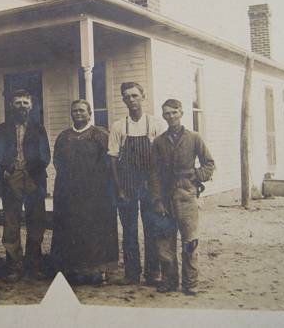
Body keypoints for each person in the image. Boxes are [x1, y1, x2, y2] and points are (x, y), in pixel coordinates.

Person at [149, 98, 215, 296]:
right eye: (167, 113)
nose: (170, 117)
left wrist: (196, 176)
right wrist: (157, 200)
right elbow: (153, 173)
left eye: (174, 112)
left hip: (186, 194)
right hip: (165, 194)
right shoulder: (159, 141)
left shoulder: (194, 138)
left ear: (181, 113)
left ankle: (190, 283)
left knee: (190, 241)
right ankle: (169, 281)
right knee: (164, 241)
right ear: (163, 116)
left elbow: (209, 164)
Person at [51, 100, 118, 285]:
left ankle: (98, 272)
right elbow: (57, 162)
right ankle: (74, 270)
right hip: (69, 192)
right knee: (71, 229)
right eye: (74, 111)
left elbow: (108, 164)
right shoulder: (64, 136)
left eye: (82, 110)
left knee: (95, 230)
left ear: (90, 113)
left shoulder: (100, 135)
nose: (78, 114)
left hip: (95, 194)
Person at [108, 82, 166, 285]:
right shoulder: (118, 126)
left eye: (134, 95)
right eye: (127, 96)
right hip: (127, 184)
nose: (131, 100)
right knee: (129, 230)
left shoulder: (156, 124)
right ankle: (131, 273)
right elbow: (113, 159)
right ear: (123, 100)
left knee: (151, 228)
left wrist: (159, 189)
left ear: (143, 96)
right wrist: (120, 188)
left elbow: (163, 158)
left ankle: (153, 272)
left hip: (150, 184)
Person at [0, 89, 51, 282]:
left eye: (25, 103)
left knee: (36, 221)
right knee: (11, 222)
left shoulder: (38, 128)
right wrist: (6, 171)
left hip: (33, 177)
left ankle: (33, 265)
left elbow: (45, 155)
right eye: (18, 103)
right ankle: (14, 266)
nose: (22, 107)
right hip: (11, 176)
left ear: (31, 106)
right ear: (11, 105)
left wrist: (33, 169)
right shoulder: (1, 129)